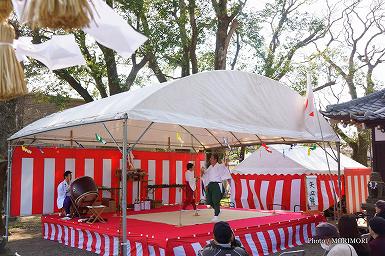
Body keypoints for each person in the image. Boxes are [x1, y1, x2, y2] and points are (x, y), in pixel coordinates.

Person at [201, 153, 232, 222]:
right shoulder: (210, 167)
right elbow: (206, 175)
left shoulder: (220, 166)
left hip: (217, 185)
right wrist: (203, 172)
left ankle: (216, 216)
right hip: (210, 185)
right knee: (209, 201)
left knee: (215, 201)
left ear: (215, 160)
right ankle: (217, 210)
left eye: (211, 158)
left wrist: (226, 162)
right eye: (210, 158)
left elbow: (224, 166)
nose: (210, 159)